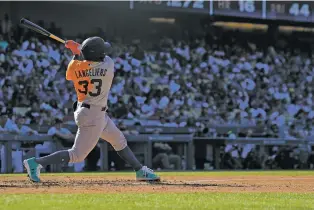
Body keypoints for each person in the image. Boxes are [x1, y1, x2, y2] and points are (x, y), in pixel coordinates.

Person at [23, 37, 160, 182]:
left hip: (89, 112)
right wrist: (78, 49)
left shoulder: (75, 67)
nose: (104, 52)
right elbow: (97, 58)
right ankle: (36, 163)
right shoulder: (108, 65)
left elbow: (74, 69)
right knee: (77, 155)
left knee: (119, 140)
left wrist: (76, 52)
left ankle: (139, 170)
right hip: (93, 115)